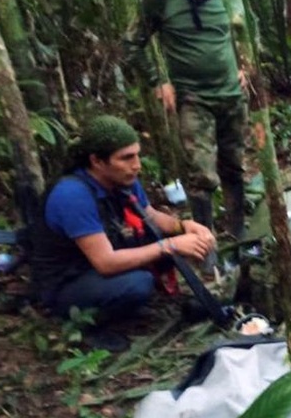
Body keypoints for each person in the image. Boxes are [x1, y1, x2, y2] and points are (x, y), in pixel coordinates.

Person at [30, 115, 215, 350]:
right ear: (97, 161)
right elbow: (105, 262)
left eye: (137, 155)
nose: (136, 165)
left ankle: (136, 299)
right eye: (126, 158)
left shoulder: (123, 179)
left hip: (103, 258)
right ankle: (87, 325)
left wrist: (184, 226)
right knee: (138, 283)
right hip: (68, 281)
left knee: (163, 241)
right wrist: (171, 246)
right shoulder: (72, 195)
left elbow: (150, 216)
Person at [123, 0, 248, 274]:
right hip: (193, 98)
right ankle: (206, 249)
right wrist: (157, 83)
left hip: (232, 96)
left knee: (235, 168)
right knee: (201, 177)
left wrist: (243, 63)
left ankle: (239, 237)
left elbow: (242, 30)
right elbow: (132, 43)